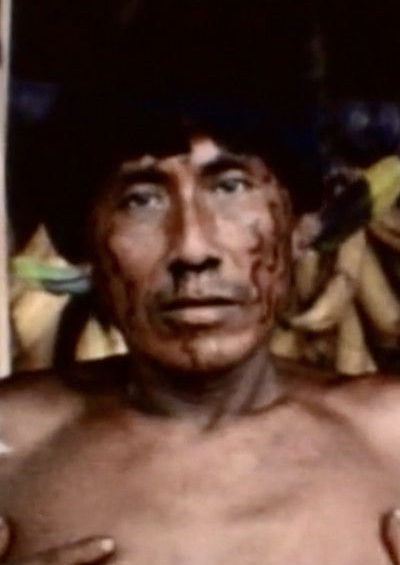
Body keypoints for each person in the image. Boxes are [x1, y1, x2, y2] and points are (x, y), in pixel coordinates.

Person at [2, 91, 400, 565]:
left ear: (301, 225)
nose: (192, 249)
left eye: (230, 187)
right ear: (83, 244)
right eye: (141, 200)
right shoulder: (12, 448)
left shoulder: (390, 442)